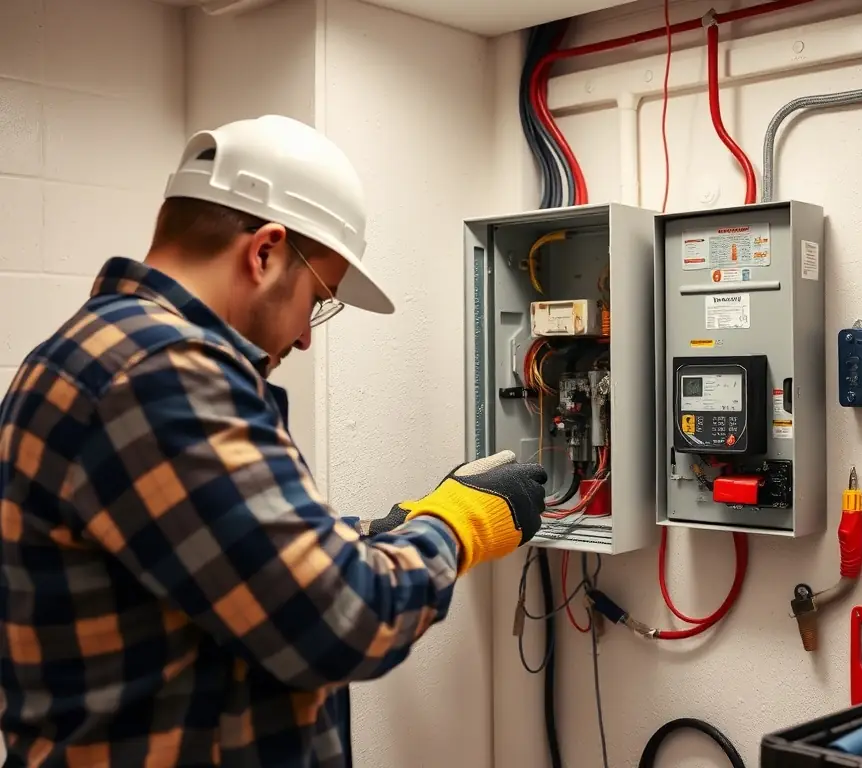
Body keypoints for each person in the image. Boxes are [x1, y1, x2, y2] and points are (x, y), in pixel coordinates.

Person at [0, 115, 548, 767]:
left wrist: (381, 531)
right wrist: (458, 523)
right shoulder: (163, 374)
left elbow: (218, 557)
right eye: (319, 298)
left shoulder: (96, 351)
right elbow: (342, 621)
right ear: (264, 252)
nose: (309, 335)